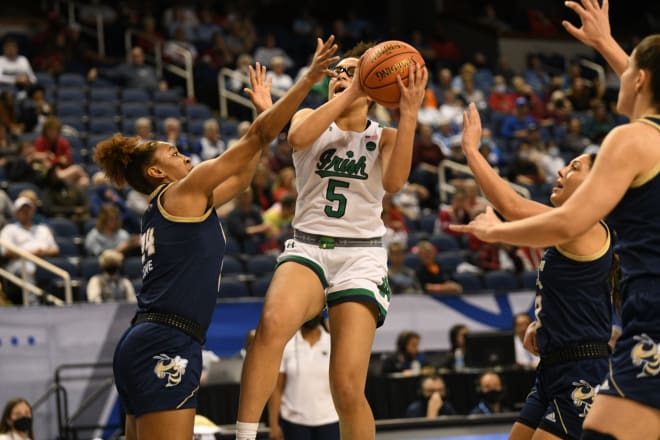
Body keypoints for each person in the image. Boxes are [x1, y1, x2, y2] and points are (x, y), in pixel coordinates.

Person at [97, 37, 340, 440]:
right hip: (166, 340)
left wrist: (264, 118)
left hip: (149, 337)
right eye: (174, 154)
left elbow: (243, 176)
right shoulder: (182, 192)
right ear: (157, 173)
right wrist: (305, 82)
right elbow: (252, 141)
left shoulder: (176, 204)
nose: (186, 157)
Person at [451, 1, 660, 437]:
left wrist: (496, 231)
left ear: (639, 79)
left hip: (634, 335)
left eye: (626, 73)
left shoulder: (629, 142)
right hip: (569, 355)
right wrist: (606, 43)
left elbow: (561, 222)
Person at [236, 42, 428, 440]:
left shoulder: (385, 136)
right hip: (308, 246)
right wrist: (354, 91)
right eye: (338, 71)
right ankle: (244, 435)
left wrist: (408, 113)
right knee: (270, 328)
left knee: (346, 386)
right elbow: (297, 137)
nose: (341, 74)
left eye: (352, 70)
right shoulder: (309, 117)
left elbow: (393, 183)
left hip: (361, 257)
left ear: (377, 83)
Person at [458, 104, 614, 439]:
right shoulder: (565, 230)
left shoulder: (586, 227)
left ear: (596, 184)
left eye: (574, 168)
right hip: (552, 366)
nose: (561, 171)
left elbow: (511, 206)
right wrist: (542, 323)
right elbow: (574, 295)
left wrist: (471, 150)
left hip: (581, 369)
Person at [267, 313, 339, 440]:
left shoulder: (332, 342)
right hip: (293, 423)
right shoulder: (286, 344)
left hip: (329, 420)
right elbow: (276, 388)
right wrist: (273, 425)